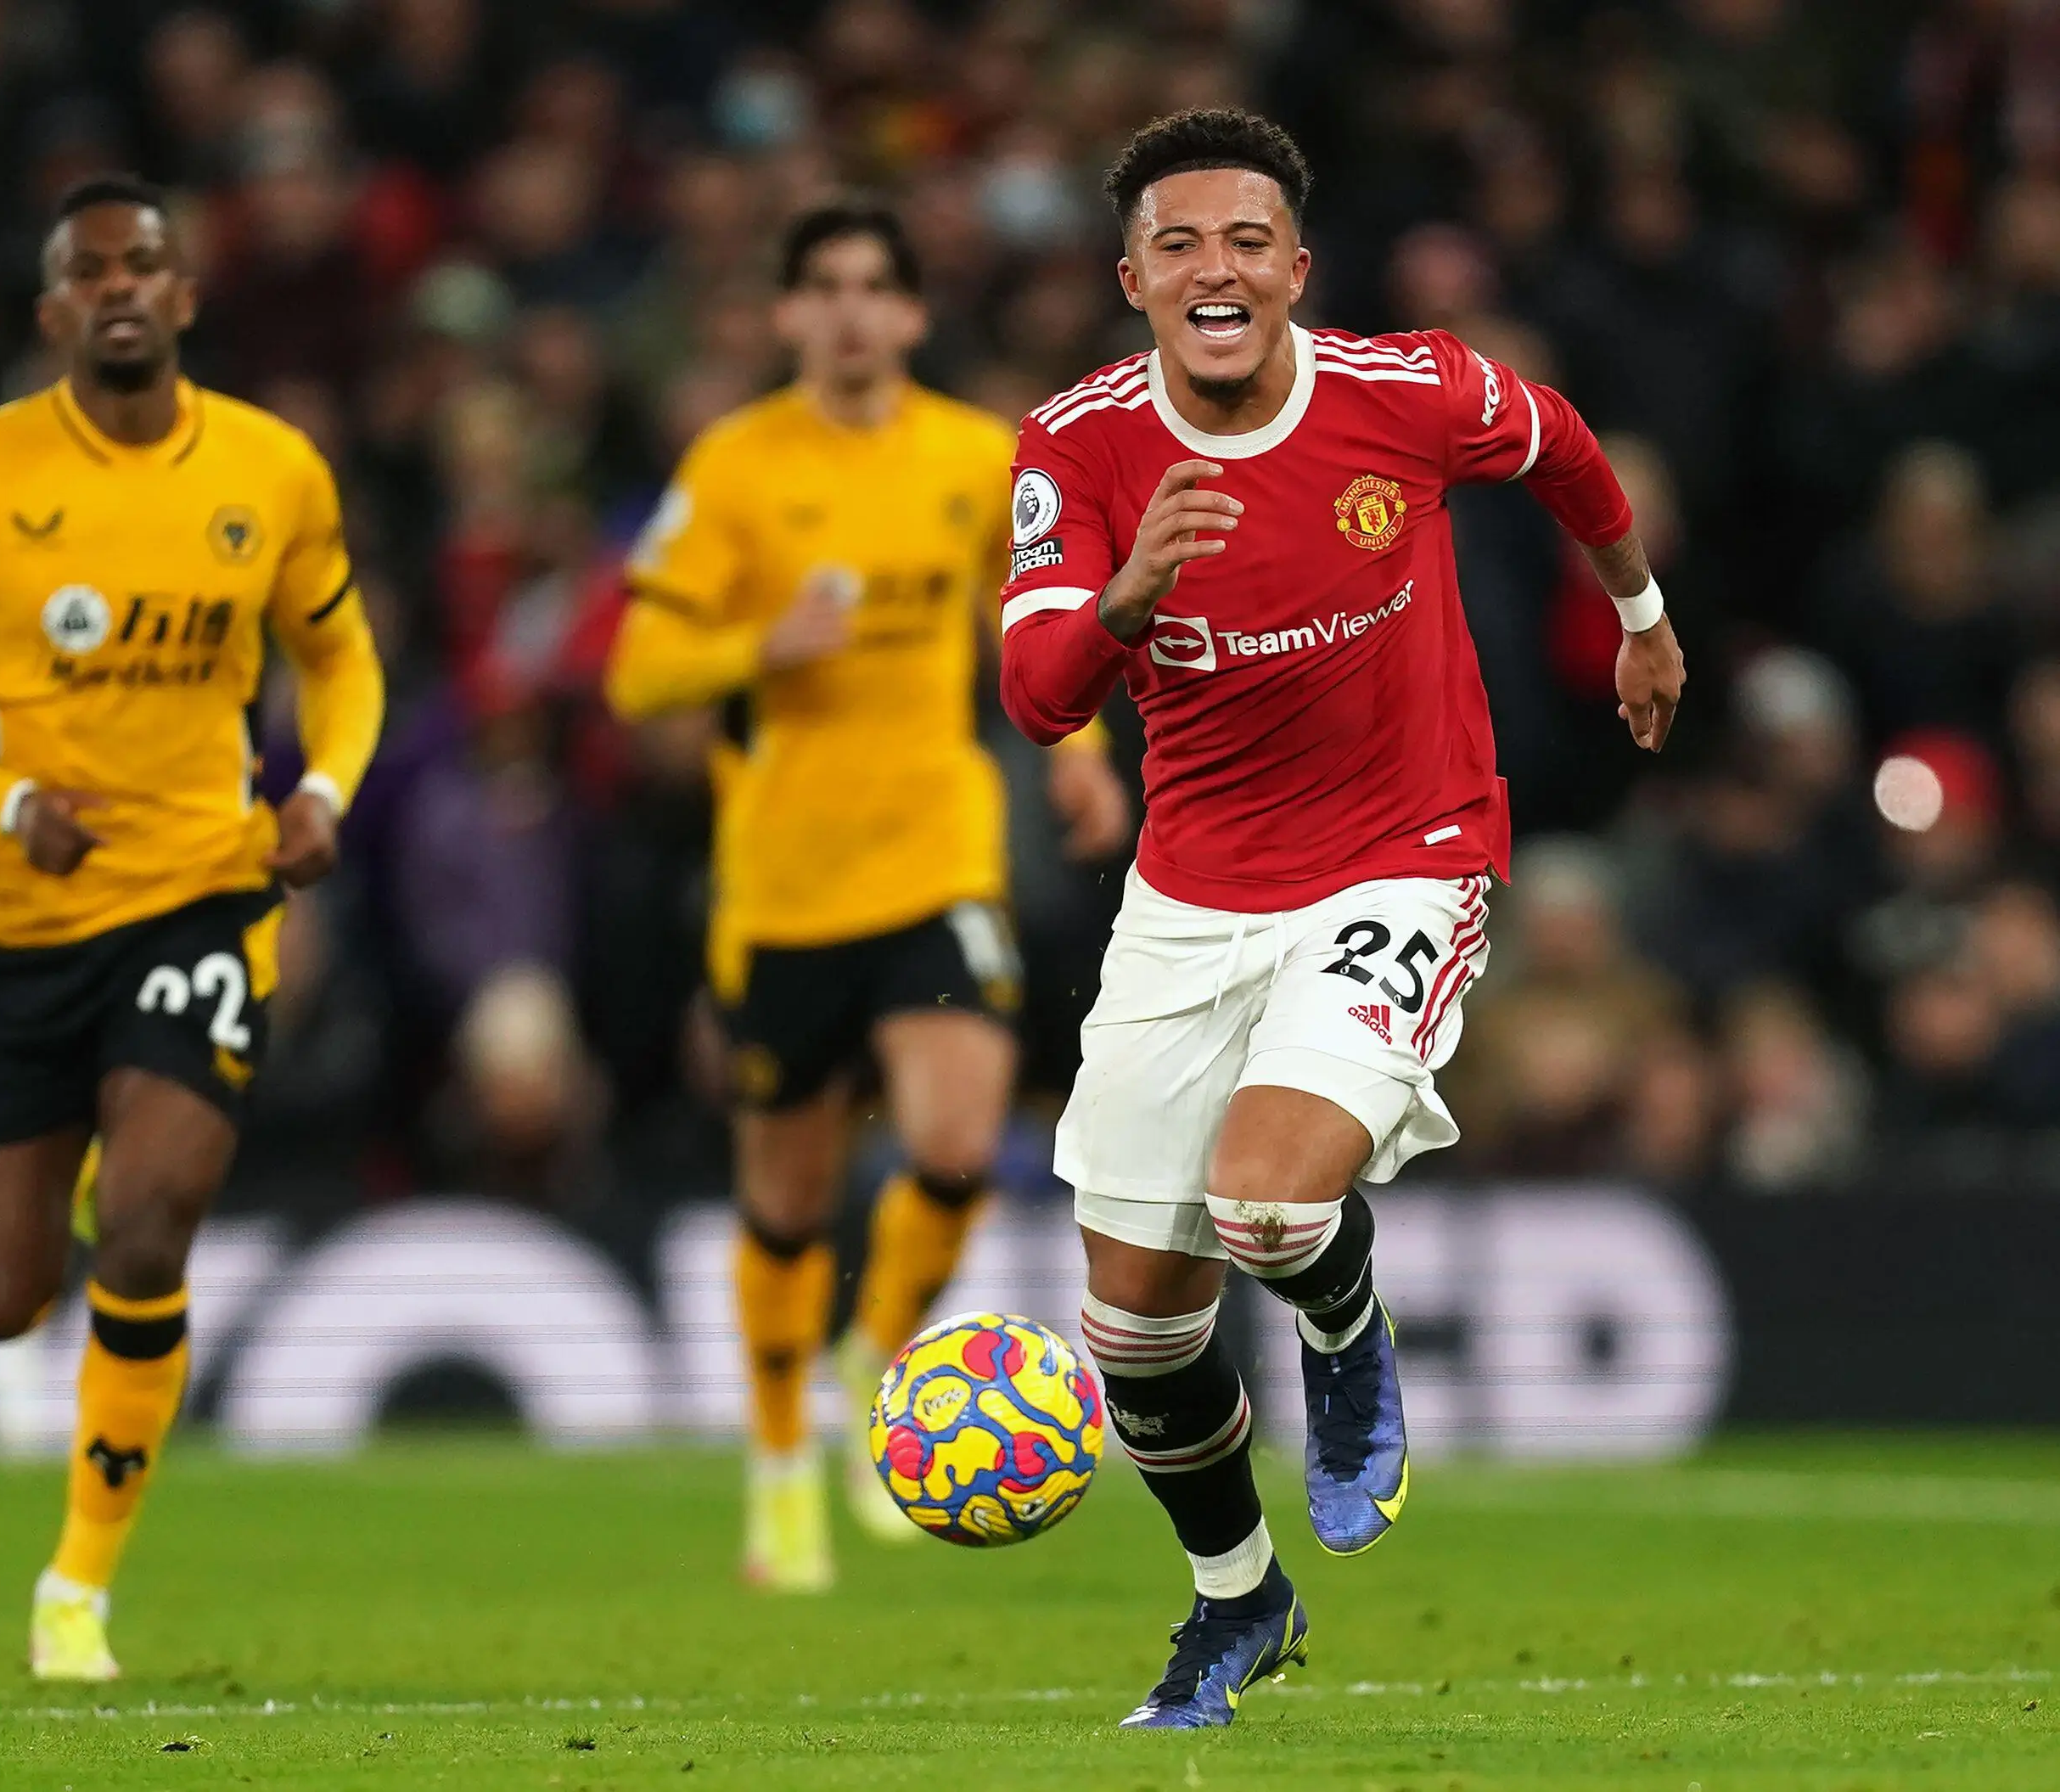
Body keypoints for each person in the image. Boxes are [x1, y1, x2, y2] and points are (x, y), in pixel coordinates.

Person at [997, 110, 1684, 1728]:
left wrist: (1640, 617)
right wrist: (1127, 594)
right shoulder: (1073, 448)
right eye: (1177, 245)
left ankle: (1345, 1324)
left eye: (1245, 241)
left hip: (1402, 849)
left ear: (1295, 271)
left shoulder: (1410, 392)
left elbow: (1569, 448)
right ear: (1131, 281)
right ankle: (1237, 1605)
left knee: (1268, 1211)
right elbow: (1036, 696)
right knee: (1131, 1325)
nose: (1213, 268)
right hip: (1188, 890)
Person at [0, 175, 384, 1681]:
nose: (118, 286)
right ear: (51, 313)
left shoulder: (273, 469)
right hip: (17, 919)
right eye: (88, 270)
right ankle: (81, 1167)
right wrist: (5, 796)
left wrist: (327, 787)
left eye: (143, 263)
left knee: (149, 1215)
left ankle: (76, 1586)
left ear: (184, 296)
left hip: (203, 889)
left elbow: (341, 663)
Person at [605, 201, 1130, 1591]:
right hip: (779, 882)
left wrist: (1076, 755)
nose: (847, 313)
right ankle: (779, 1460)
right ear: (786, 315)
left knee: (955, 1140)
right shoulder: (732, 468)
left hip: (935, 855)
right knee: (782, 1202)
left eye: (872, 289)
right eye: (820, 287)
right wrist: (752, 641)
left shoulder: (976, 456)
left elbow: (1024, 629)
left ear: (909, 314)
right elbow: (635, 669)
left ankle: (878, 1359)